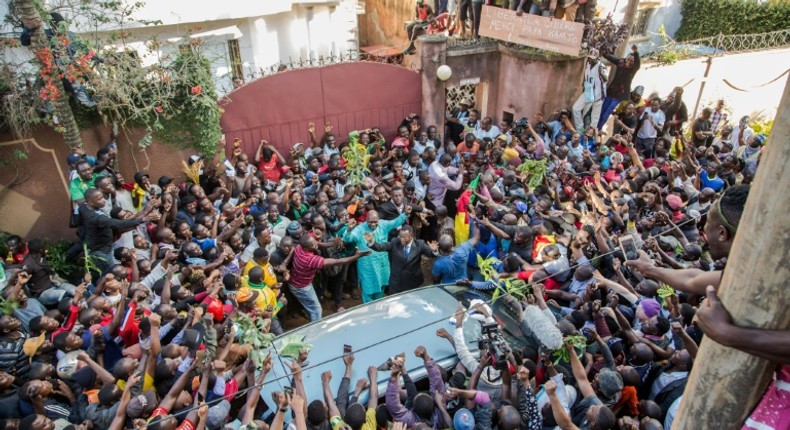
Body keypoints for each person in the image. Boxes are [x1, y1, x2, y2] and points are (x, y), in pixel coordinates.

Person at [290, 234, 369, 321]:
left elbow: (319, 244)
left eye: (314, 242)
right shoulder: (310, 260)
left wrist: (333, 244)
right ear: (306, 248)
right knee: (317, 310)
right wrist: (357, 256)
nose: (315, 244)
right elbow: (337, 261)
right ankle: (316, 328)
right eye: (312, 245)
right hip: (301, 287)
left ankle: (309, 312)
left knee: (310, 305)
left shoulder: (299, 247)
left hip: (296, 280)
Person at [343, 209, 411, 302]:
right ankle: (369, 311)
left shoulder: (383, 224)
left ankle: (378, 307)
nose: (373, 224)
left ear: (379, 219)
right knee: (368, 290)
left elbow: (395, 222)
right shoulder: (359, 229)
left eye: (375, 222)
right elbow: (348, 238)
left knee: (382, 285)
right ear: (366, 219)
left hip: (382, 263)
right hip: (367, 265)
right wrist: (349, 230)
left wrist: (405, 214)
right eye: (370, 222)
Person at [368, 225, 438, 294]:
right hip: (396, 282)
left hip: (413, 283)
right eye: (400, 236)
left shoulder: (419, 244)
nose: (401, 239)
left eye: (404, 237)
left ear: (411, 235)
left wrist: (434, 251)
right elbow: (381, 247)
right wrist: (372, 242)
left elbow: (430, 254)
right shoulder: (395, 242)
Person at [599, 45, 640, 129]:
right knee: (602, 109)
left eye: (632, 61)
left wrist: (636, 52)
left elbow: (637, 64)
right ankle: (594, 127)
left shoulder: (632, 70)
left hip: (620, 95)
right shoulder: (621, 62)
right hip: (611, 91)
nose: (629, 62)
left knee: (607, 112)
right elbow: (611, 57)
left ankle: (598, 128)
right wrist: (602, 52)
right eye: (628, 59)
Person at [572, 49, 607, 133]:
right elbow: (586, 75)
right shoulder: (588, 63)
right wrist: (584, 83)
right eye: (589, 57)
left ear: (597, 58)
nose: (590, 59)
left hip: (598, 95)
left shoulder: (601, 66)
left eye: (592, 58)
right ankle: (580, 130)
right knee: (575, 108)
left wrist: (601, 73)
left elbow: (606, 79)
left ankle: (589, 135)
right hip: (588, 91)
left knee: (594, 119)